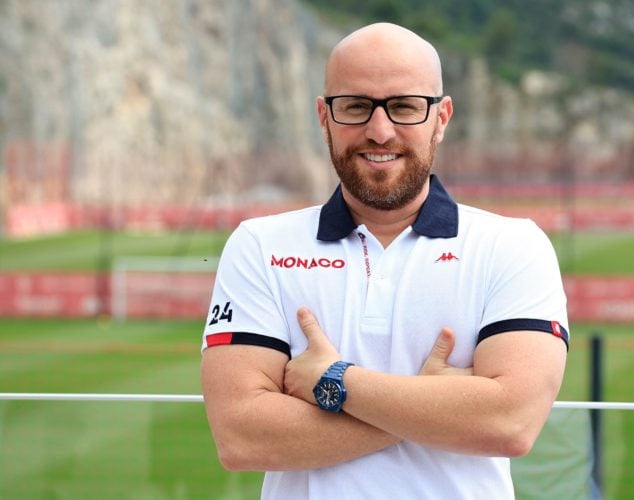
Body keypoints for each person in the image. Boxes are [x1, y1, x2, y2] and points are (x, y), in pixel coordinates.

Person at [201, 22, 569, 499]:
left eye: (404, 106)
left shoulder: (514, 245)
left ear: (441, 117)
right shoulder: (260, 245)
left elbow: (510, 424)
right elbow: (242, 438)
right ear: (323, 116)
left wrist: (334, 381)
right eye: (355, 106)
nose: (380, 131)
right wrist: (438, 406)